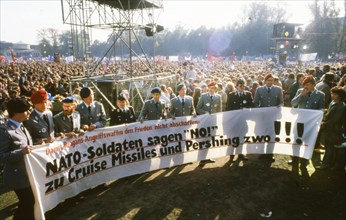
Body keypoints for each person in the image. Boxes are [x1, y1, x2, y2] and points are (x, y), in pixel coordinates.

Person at [0, 98, 35, 220]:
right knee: (28, 203)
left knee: (30, 203)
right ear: (15, 113)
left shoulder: (22, 126)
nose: (29, 113)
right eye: (26, 111)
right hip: (17, 175)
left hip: (27, 173)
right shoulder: (5, 131)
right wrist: (21, 152)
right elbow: (1, 156)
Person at [291, 76, 325, 177]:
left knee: (307, 143)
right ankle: (295, 160)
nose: (305, 86)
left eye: (307, 85)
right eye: (304, 84)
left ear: (313, 84)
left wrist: (321, 112)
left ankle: (304, 162)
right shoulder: (300, 91)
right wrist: (301, 96)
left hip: (311, 124)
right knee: (296, 141)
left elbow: (321, 107)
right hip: (299, 122)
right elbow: (293, 104)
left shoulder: (320, 95)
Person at [253, 73, 283, 162]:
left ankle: (270, 154)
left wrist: (279, 107)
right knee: (262, 134)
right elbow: (255, 102)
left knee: (272, 135)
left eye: (272, 80)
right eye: (268, 80)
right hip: (262, 118)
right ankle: (262, 153)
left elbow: (281, 102)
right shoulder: (259, 89)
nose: (270, 82)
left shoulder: (278, 89)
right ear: (265, 81)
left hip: (273, 117)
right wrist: (260, 111)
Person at [319, 86, 345, 170]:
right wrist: (326, 111)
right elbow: (331, 113)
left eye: (335, 94)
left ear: (340, 96)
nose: (332, 95)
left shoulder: (341, 106)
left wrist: (325, 124)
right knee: (328, 147)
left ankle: (325, 164)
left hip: (334, 130)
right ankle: (328, 163)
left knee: (330, 148)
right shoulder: (332, 102)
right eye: (332, 93)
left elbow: (336, 119)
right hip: (328, 129)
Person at [226, 79, 253, 161]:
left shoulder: (248, 95)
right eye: (240, 86)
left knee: (241, 137)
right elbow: (228, 108)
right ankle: (231, 155)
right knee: (233, 137)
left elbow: (251, 106)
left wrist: (246, 110)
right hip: (234, 121)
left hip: (243, 121)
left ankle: (240, 154)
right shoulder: (231, 95)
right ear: (236, 86)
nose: (242, 87)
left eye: (243, 86)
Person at [196, 81, 222, 163]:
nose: (212, 90)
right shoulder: (203, 96)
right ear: (208, 88)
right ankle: (201, 159)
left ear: (216, 89)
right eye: (211, 88)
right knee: (203, 140)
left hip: (213, 122)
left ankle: (207, 157)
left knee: (210, 139)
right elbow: (198, 108)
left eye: (214, 88)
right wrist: (204, 112)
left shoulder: (218, 97)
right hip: (204, 122)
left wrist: (218, 120)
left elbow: (219, 110)